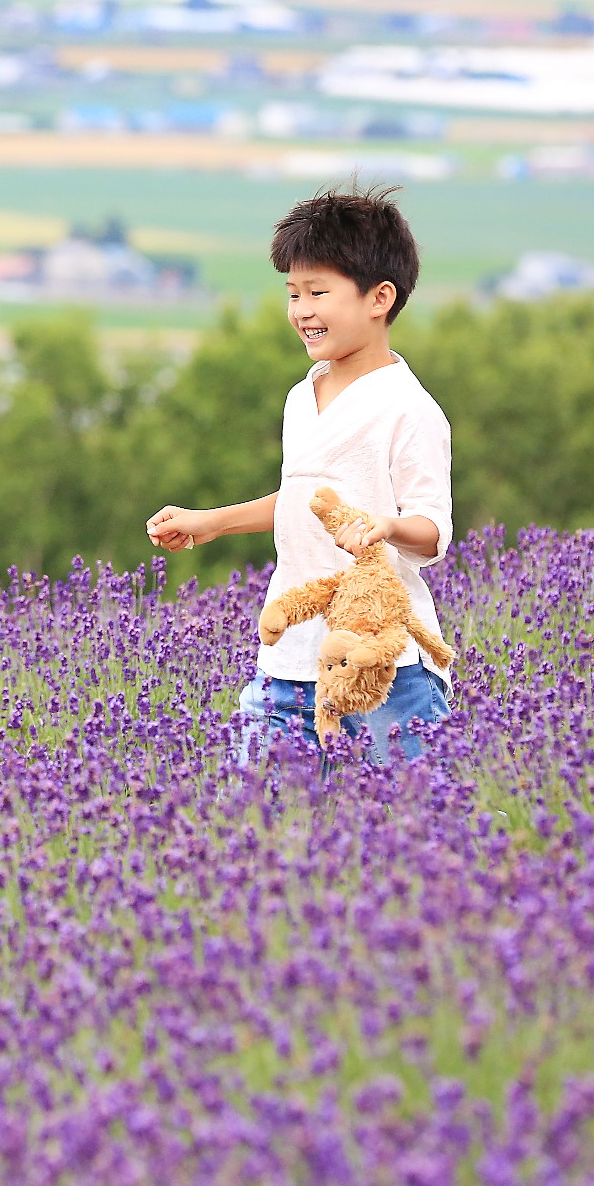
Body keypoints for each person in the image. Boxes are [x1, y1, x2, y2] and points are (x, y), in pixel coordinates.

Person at [146, 184, 454, 761]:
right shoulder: (302, 396)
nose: (301, 311)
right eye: (293, 293)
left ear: (379, 298)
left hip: (380, 666)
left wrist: (387, 526)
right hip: (289, 657)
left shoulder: (409, 408)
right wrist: (212, 522)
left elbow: (433, 530)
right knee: (263, 826)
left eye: (318, 292)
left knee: (419, 827)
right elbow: (298, 498)